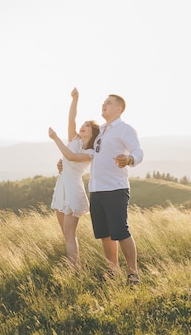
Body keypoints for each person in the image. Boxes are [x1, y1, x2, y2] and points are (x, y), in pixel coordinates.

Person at [88, 93, 144, 285]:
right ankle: (113, 271)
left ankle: (133, 274)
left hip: (115, 188)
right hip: (96, 189)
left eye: (109, 103)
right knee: (105, 234)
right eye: (103, 102)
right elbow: (87, 152)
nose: (104, 104)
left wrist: (129, 159)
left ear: (119, 109)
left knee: (120, 231)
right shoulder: (101, 130)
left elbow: (138, 152)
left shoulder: (124, 129)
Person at [48, 87, 100, 266]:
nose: (83, 127)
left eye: (87, 126)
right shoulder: (74, 140)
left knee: (70, 234)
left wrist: (55, 138)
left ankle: (74, 270)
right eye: (84, 124)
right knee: (66, 234)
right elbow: (71, 120)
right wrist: (75, 99)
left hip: (73, 191)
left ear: (92, 133)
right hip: (62, 187)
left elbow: (70, 157)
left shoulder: (90, 152)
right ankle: (74, 265)